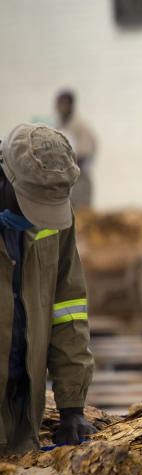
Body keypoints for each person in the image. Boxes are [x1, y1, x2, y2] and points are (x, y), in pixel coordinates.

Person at [0, 123, 96, 455]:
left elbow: (69, 308)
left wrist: (72, 406)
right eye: (31, 204)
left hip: (23, 409)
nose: (38, 218)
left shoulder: (57, 222)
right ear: (7, 177)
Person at [54, 89, 97, 209]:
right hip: (64, 181)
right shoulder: (59, 126)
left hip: (79, 180)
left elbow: (85, 155)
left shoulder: (80, 126)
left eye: (64, 104)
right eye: (59, 104)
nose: (60, 107)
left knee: (81, 216)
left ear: (71, 105)